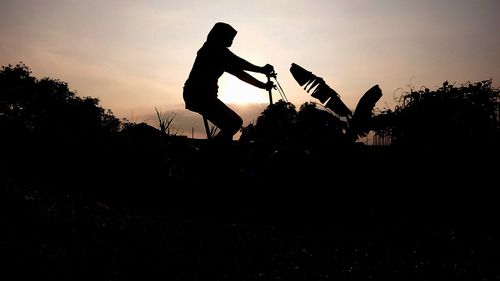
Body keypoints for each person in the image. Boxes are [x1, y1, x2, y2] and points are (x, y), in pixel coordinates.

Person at [183, 22, 275, 143]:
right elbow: (239, 63)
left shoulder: (218, 52)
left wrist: (262, 85)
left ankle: (221, 153)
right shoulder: (214, 49)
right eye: (230, 37)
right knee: (234, 123)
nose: (232, 40)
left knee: (229, 127)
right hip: (200, 96)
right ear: (221, 36)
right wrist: (261, 70)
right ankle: (209, 153)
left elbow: (240, 73)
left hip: (200, 96)